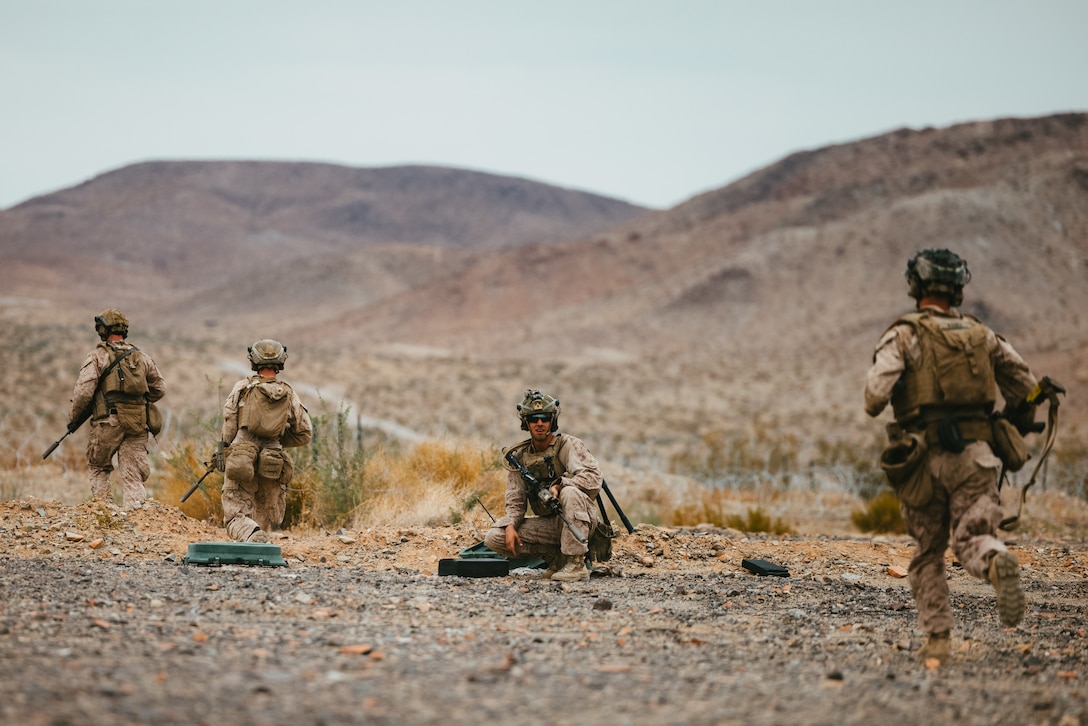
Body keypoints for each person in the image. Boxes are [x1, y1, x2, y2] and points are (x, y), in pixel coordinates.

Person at [864, 249, 1040, 664]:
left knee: (928, 552)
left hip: (922, 461)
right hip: (977, 456)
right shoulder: (984, 336)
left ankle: (939, 642)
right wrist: (1014, 419)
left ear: (916, 286)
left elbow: (874, 397)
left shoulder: (903, 335)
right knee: (974, 535)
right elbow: (1027, 387)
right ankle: (995, 560)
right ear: (958, 289)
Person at [484, 389, 602, 582]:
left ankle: (576, 563)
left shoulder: (567, 445)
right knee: (494, 537)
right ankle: (556, 559)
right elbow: (515, 500)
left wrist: (560, 485)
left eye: (545, 418)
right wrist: (511, 525)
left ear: (552, 421)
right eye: (534, 419)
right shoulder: (520, 457)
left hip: (581, 521)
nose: (539, 423)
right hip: (552, 524)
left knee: (570, 492)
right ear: (526, 423)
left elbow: (594, 478)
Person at [68, 309, 167, 510]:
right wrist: (137, 402)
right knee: (133, 473)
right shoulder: (141, 357)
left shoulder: (97, 356)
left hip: (108, 421)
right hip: (137, 422)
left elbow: (84, 392)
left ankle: (105, 512)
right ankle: (136, 514)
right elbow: (159, 389)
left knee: (98, 467)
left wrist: (74, 418)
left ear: (102, 330)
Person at [220, 339, 312, 543]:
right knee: (265, 511)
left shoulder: (242, 388)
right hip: (273, 459)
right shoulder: (288, 393)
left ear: (254, 361)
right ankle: (262, 546)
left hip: (243, 455)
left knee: (235, 514)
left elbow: (229, 423)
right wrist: (277, 439)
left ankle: (252, 537)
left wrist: (225, 448)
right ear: (280, 362)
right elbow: (304, 432)